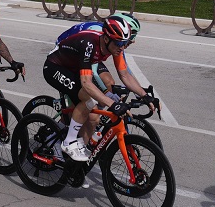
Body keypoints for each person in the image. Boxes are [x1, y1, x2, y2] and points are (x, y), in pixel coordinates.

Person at [43, 14, 149, 162]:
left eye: (125, 43)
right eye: (119, 43)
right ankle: (68, 142)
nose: (122, 47)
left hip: (74, 69)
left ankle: (75, 162)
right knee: (88, 100)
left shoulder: (115, 46)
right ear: (106, 39)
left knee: (93, 118)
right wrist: (112, 103)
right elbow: (86, 83)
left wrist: (145, 96)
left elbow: (124, 74)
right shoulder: (90, 43)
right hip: (55, 67)